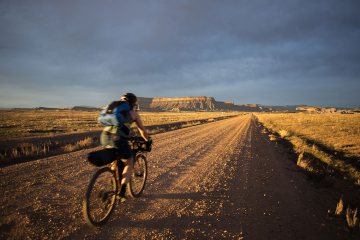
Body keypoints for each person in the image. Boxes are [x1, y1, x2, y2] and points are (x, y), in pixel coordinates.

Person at [100, 92, 150, 201]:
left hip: (105, 137)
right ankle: (122, 192)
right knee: (129, 161)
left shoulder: (115, 110)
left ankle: (114, 184)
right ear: (133, 103)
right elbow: (142, 130)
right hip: (118, 139)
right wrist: (147, 140)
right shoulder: (133, 113)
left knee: (115, 161)